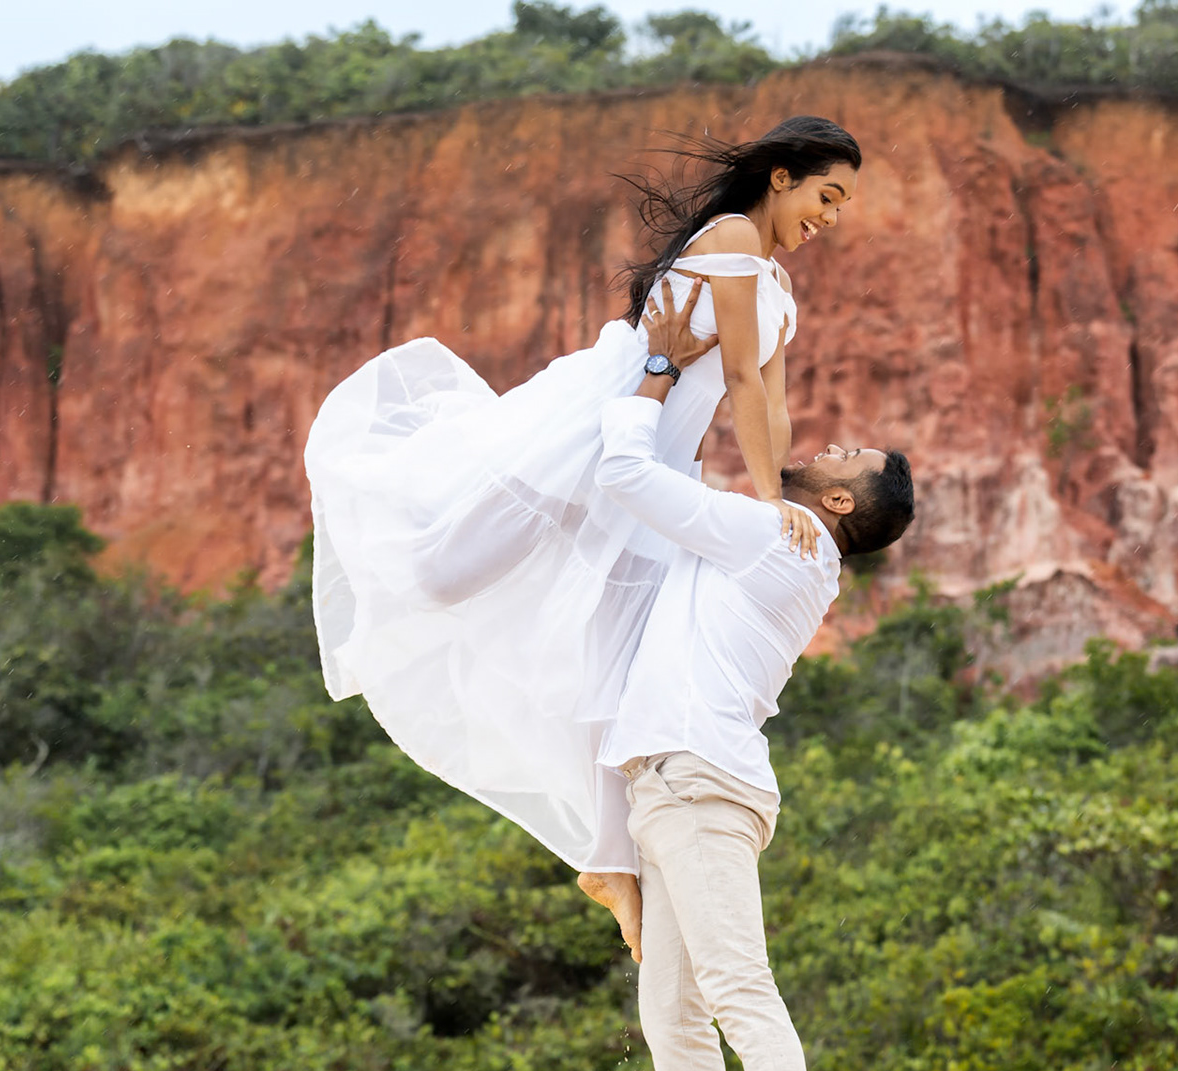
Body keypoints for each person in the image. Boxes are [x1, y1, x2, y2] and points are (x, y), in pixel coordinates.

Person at [303, 117, 862, 938]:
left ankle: (609, 865)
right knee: (440, 573)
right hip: (602, 424)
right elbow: (736, 372)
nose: (832, 216)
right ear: (781, 177)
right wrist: (775, 498)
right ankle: (376, 551)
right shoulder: (735, 235)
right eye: (827, 194)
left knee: (618, 666)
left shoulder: (778, 290)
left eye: (842, 205)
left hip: (658, 467)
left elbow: (769, 404)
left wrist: (771, 492)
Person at [599, 273, 915, 1071]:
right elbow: (709, 460)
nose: (824, 445)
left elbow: (628, 476)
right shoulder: (766, 541)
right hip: (672, 783)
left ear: (834, 499)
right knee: (673, 1017)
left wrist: (658, 364)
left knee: (737, 989)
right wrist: (743, 360)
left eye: (842, 455)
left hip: (696, 784)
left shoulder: (782, 540)